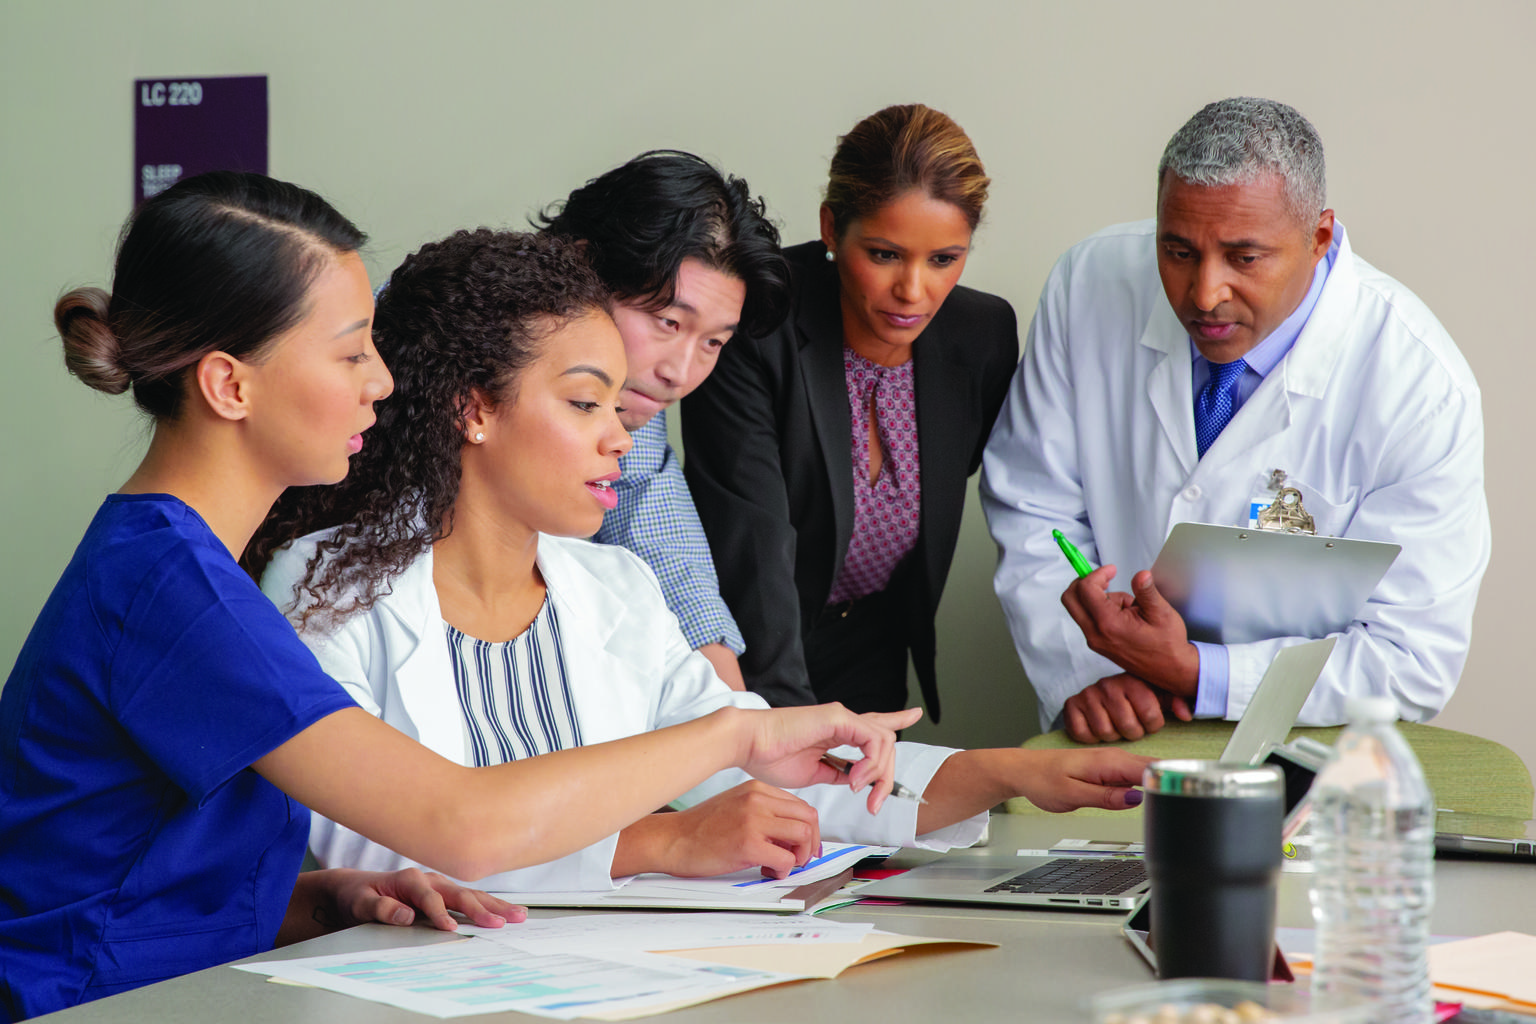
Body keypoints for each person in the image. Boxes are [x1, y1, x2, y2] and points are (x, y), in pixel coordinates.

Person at [0, 174, 916, 1022]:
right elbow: (464, 822)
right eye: (352, 352)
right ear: (229, 384)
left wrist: (313, 900)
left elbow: (130, 862)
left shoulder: (178, 566)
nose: (384, 381)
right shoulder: (173, 590)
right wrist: (736, 734)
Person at [254, 228, 1148, 891]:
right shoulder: (325, 584)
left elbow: (747, 758)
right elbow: (364, 846)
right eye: (584, 404)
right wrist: (656, 843)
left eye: (617, 406)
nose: (620, 440)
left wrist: (1010, 771)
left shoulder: (615, 588)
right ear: (474, 408)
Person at [981, 97, 1489, 744]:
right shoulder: (1090, 282)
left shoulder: (1418, 385)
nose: (1204, 294)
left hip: (1300, 740)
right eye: (1178, 250)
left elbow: (1413, 657)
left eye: (1245, 258)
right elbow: (1032, 505)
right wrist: (1086, 671)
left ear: (1320, 238)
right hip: (1108, 717)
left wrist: (1200, 672)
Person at [682, 104, 1020, 719]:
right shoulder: (756, 320)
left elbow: (959, 469)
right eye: (886, 254)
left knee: (872, 810)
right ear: (832, 229)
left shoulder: (983, 335)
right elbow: (751, 540)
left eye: (944, 258)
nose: (913, 291)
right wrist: (781, 717)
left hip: (873, 646)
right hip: (741, 648)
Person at [535, 151, 791, 692]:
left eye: (714, 342)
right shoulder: (424, 352)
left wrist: (742, 729)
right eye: (668, 322)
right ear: (580, 268)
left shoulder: (629, 397)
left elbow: (667, 555)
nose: (680, 373)